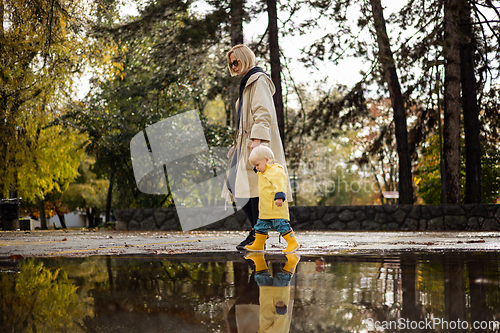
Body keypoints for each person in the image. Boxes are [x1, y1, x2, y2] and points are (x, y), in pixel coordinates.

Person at [221, 44, 292, 251]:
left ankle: (257, 233)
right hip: (245, 143)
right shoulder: (247, 82)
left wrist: (257, 141)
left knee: (252, 187)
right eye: (231, 63)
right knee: (238, 185)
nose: (234, 66)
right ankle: (258, 230)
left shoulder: (258, 80)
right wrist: (237, 147)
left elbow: (263, 112)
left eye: (237, 61)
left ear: (246, 58)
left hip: (256, 143)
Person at [244, 146, 299, 253]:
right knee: (260, 226)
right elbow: (258, 170)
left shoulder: (276, 171)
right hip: (265, 209)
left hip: (276, 207)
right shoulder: (263, 172)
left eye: (257, 165)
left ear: (267, 160)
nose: (257, 168)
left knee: (280, 225)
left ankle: (293, 243)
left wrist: (279, 197)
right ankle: (258, 244)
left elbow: (280, 184)